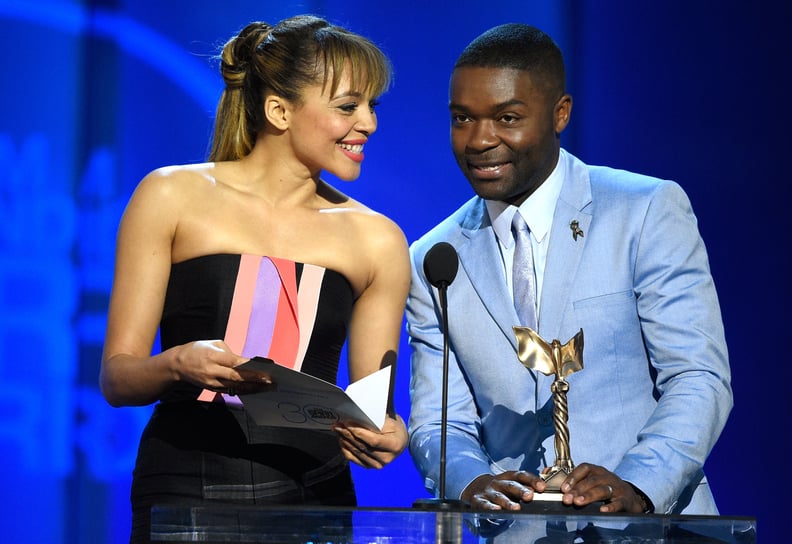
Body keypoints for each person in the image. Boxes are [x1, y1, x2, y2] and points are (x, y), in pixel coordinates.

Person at [99, 15, 410, 543]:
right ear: (279, 110)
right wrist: (177, 362)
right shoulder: (170, 196)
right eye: (347, 107)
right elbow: (118, 378)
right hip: (185, 486)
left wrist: (386, 433)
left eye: (371, 106)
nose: (369, 124)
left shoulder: (377, 239)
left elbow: (371, 406)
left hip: (313, 494)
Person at [407, 22, 732, 521]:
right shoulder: (435, 256)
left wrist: (640, 485)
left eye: (507, 118)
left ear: (560, 114)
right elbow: (436, 419)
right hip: (519, 532)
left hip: (651, 529)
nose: (479, 140)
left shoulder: (644, 210)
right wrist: (472, 479)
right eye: (462, 119)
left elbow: (698, 376)